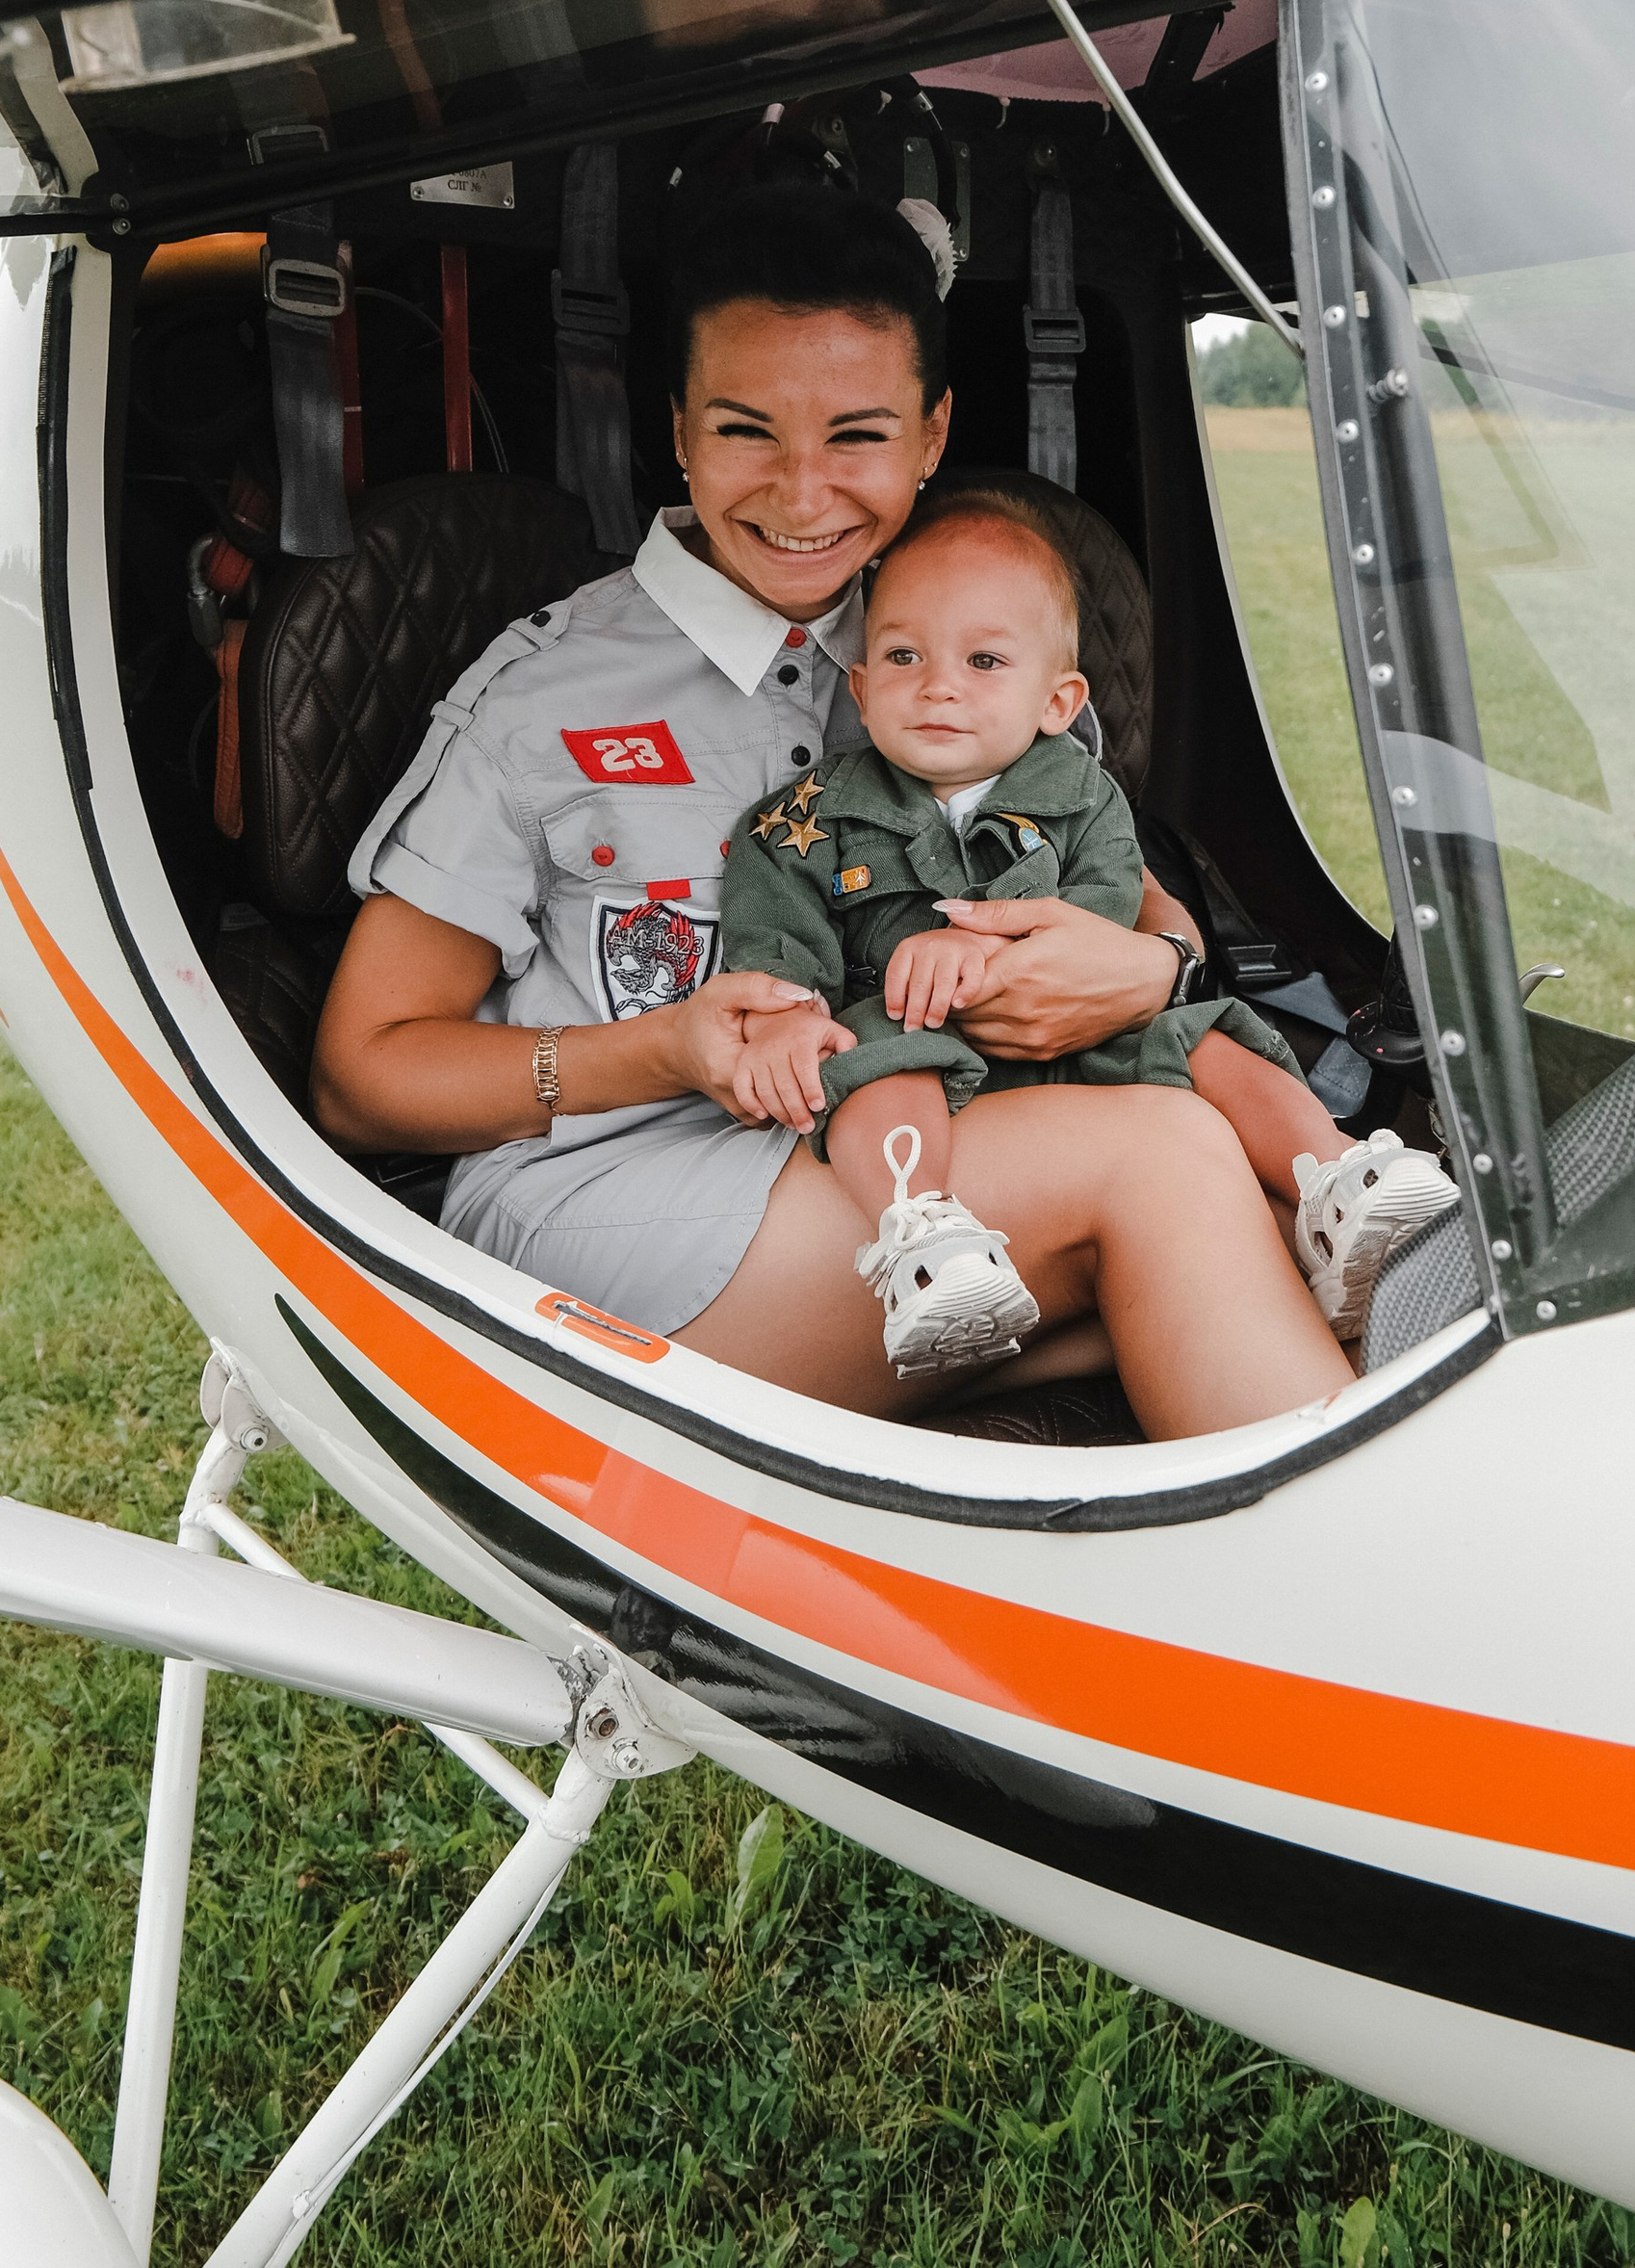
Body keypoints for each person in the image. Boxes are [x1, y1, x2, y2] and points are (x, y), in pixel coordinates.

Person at [310, 182, 1360, 1440]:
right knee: (1167, 1158)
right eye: (748, 432)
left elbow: (1136, 900)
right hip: (614, 1203)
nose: (806, 497)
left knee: (1266, 1211)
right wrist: (656, 1050)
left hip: (922, 1160)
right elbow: (362, 1077)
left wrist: (1149, 968)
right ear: (682, 435)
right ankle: (1380, 1599)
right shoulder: (542, 699)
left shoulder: (967, 637)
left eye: (858, 436)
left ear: (933, 434)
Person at [717, 493, 1457, 1374]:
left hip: (1085, 1036)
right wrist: (785, 1019)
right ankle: (924, 1236)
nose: (939, 684)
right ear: (864, 687)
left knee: (1204, 1035)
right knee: (872, 1062)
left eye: (985, 660)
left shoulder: (1082, 794)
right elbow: (776, 940)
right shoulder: (805, 819)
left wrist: (994, 949)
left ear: (1058, 701)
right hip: (925, 1056)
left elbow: (1110, 900)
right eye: (904, 655)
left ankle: (1335, 1178)